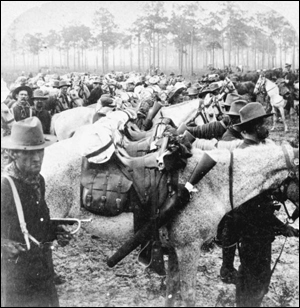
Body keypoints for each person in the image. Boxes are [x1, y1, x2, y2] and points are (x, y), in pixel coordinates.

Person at [216, 103, 299, 307]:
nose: (266, 126)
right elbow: (252, 208)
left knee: (251, 280)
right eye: (262, 124)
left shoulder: (251, 149)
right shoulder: (253, 157)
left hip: (251, 228)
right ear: (251, 128)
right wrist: (281, 226)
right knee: (255, 281)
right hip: (254, 231)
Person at [1, 117, 71, 307]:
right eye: (29, 153)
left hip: (43, 268)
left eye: (40, 151)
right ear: (14, 154)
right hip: (17, 274)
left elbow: (39, 221)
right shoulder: (5, 186)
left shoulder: (39, 180)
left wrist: (56, 232)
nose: (37, 158)